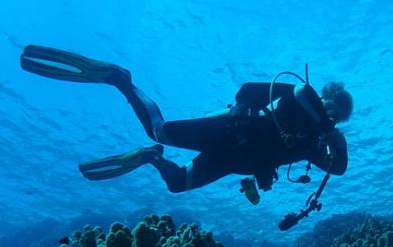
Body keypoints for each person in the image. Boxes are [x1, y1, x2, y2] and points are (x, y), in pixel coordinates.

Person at [20, 45, 351, 205]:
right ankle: (119, 79)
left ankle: (150, 157)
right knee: (159, 129)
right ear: (326, 96)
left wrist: (336, 139)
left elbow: (337, 169)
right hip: (227, 132)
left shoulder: (313, 143)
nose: (330, 113)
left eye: (338, 114)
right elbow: (251, 91)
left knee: (177, 183)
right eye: (332, 103)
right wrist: (324, 123)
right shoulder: (298, 97)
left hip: (231, 161)